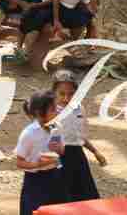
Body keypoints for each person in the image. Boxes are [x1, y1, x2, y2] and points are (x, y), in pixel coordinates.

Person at [51, 70, 105, 202]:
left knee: (85, 194)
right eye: (62, 94)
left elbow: (79, 136)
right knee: (62, 197)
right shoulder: (49, 111)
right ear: (54, 92)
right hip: (57, 157)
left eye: (71, 94)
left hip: (77, 156)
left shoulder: (79, 109)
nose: (66, 98)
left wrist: (95, 151)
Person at [16, 91, 66, 215]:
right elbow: (19, 162)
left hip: (55, 176)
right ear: (40, 113)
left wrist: (58, 149)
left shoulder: (57, 127)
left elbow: (62, 151)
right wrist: (38, 165)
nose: (58, 111)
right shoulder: (29, 134)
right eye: (53, 109)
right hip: (35, 182)